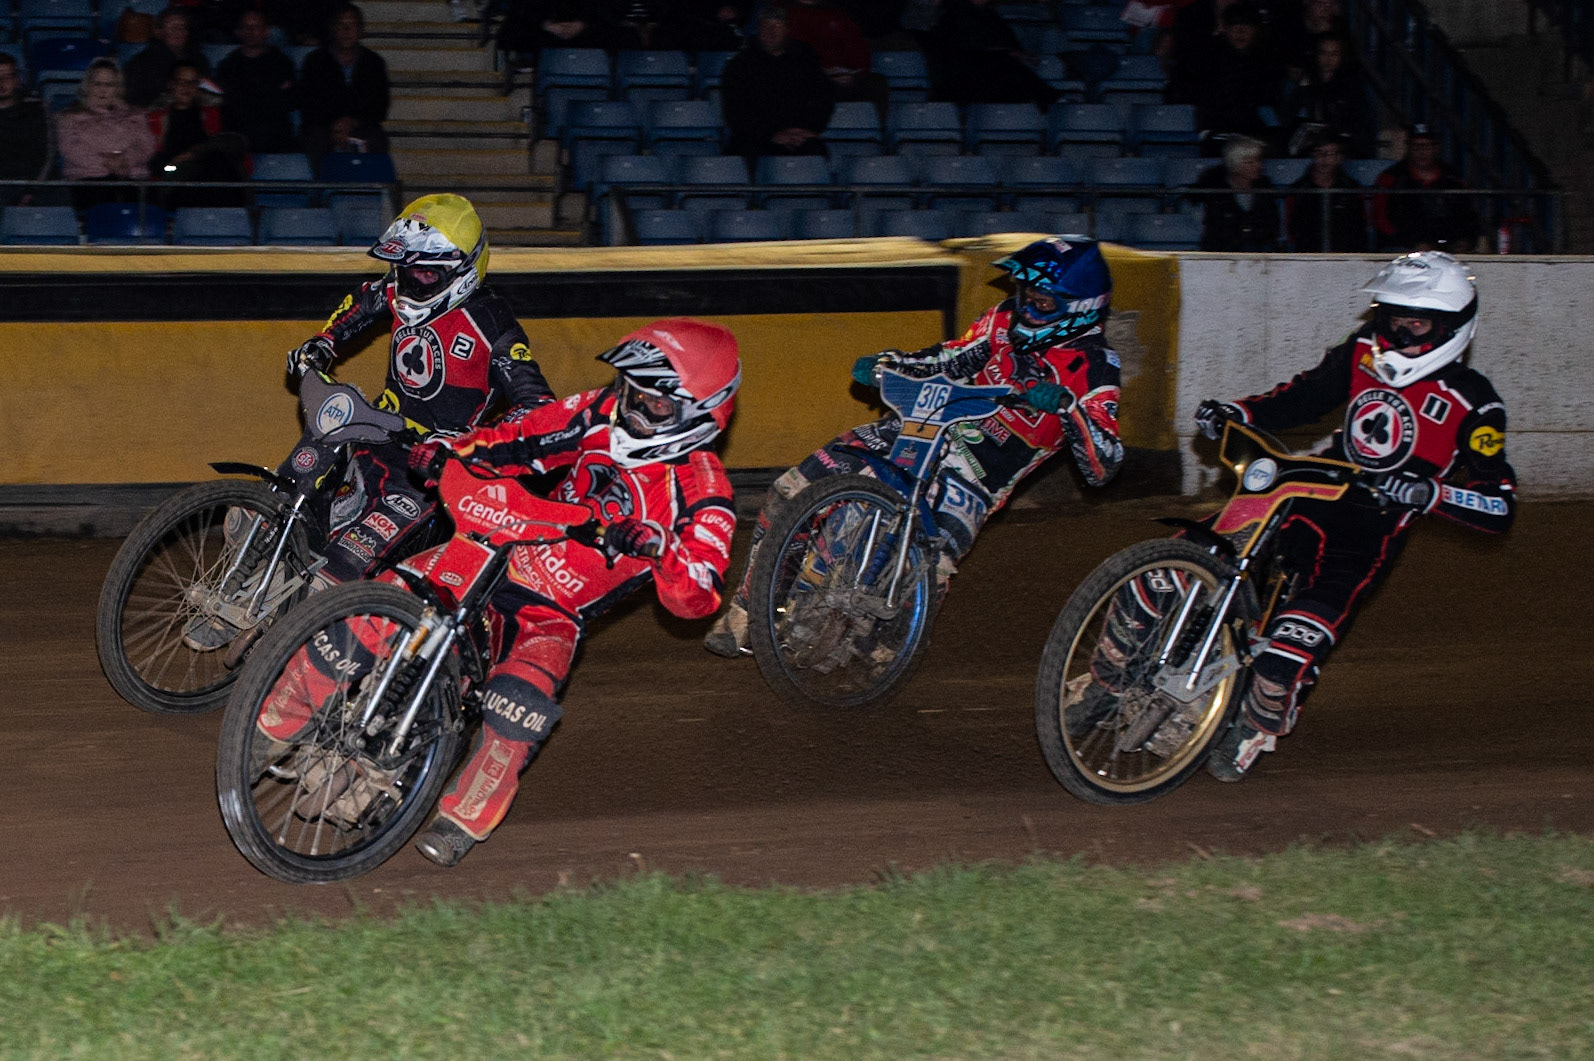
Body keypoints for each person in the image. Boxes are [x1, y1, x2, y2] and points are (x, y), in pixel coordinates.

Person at [252, 319, 742, 867]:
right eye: (631, 391)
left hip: (553, 610)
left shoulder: (704, 491)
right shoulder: (599, 410)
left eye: (652, 405)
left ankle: (463, 818)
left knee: (519, 706)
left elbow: (698, 596)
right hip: (502, 544)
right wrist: (454, 453)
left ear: (701, 413)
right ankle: (274, 724)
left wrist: (659, 549)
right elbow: (524, 435)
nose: (630, 408)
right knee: (382, 599)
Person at [704, 236, 1123, 658]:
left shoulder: (1095, 366)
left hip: (979, 471)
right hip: (923, 425)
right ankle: (749, 612)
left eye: (1043, 303)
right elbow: (951, 358)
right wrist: (889, 363)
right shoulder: (1003, 319)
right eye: (1026, 295)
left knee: (929, 566)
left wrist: (1071, 408)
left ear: (1078, 307)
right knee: (791, 491)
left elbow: (1103, 466)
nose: (1028, 308)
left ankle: (882, 652)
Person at [1188, 251, 1513, 779]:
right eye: (1391, 316)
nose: (1398, 330)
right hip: (1312, 485)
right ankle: (1115, 666)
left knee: (1293, 641)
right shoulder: (1362, 350)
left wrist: (1427, 494)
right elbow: (1305, 396)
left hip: (1374, 522)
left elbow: (1498, 505)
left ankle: (1264, 708)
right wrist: (1240, 412)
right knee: (1196, 550)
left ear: (1451, 327)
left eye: (1417, 321)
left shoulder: (1475, 403)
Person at [277, 193, 554, 591]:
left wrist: (469, 443)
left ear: (463, 269)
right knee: (314, 456)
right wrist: (323, 342)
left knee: (338, 569)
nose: (411, 281)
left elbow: (538, 406)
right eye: (405, 270)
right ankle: (268, 530)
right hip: (376, 432)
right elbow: (364, 300)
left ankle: (321, 610)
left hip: (426, 471)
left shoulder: (491, 321)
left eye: (426, 274)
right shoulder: (397, 288)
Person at [720, 6, 835, 172]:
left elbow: (824, 97)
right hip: (754, 138)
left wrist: (809, 129)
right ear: (758, 30)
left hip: (798, 137)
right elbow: (735, 113)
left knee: (815, 152)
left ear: (787, 30)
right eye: (766, 26)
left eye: (777, 26)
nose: (771, 31)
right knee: (746, 153)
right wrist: (771, 135)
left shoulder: (805, 60)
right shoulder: (739, 66)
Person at [56, 59, 157, 209]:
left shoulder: (136, 115)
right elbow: (71, 149)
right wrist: (107, 163)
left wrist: (125, 160)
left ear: (117, 88)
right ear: (88, 86)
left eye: (109, 85)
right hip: (89, 178)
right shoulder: (70, 117)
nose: (103, 90)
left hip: (131, 176)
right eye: (98, 84)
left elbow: (146, 145)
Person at [299, 2, 391, 164]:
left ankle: (366, 188)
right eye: (341, 25)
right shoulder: (315, 61)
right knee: (314, 140)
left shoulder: (374, 63)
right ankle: (322, 188)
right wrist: (335, 126)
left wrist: (353, 123)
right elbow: (309, 103)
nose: (346, 31)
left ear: (361, 30)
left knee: (376, 140)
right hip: (324, 127)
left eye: (352, 25)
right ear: (333, 29)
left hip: (361, 127)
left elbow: (379, 106)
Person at [147, 60, 248, 206]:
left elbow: (235, 143)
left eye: (192, 82)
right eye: (181, 82)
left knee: (217, 160)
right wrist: (173, 165)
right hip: (176, 177)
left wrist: (195, 153)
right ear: (171, 84)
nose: (186, 88)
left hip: (212, 174)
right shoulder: (155, 118)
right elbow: (152, 164)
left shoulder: (216, 114)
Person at [925, 0, 1061, 108]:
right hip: (955, 83)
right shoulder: (951, 14)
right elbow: (966, 50)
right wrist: (1007, 53)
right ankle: (1050, 99)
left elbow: (1013, 47)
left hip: (987, 84)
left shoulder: (991, 16)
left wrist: (1013, 54)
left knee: (1010, 72)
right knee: (1005, 63)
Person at [1372, 123, 1479, 253]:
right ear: (1408, 148)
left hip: (1447, 248)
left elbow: (1468, 217)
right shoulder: (1391, 178)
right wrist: (1411, 244)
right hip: (1402, 247)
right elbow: (1379, 218)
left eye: (1427, 146)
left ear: (1436, 148)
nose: (1421, 151)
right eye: (1416, 146)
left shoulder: (1453, 179)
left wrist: (1466, 240)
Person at [215, 9, 300, 153]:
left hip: (274, 132)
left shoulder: (281, 62)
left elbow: (288, 101)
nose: (251, 31)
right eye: (246, 27)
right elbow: (230, 104)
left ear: (266, 31)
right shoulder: (228, 65)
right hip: (240, 132)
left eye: (256, 26)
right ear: (238, 32)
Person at [1282, 31, 1372, 158]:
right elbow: (1289, 115)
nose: (1328, 59)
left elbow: (1357, 123)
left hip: (1342, 146)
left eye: (1334, 54)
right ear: (1316, 55)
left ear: (1342, 56)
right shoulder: (1306, 82)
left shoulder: (1352, 86)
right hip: (1311, 145)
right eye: (1323, 53)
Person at [1194, 135, 1280, 251]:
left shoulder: (1265, 188)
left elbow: (1272, 225)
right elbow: (1218, 228)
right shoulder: (1216, 190)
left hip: (1259, 249)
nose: (1258, 166)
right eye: (1250, 162)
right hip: (1225, 250)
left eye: (1259, 161)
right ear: (1235, 165)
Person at [1285, 131, 1366, 251]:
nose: (1324, 158)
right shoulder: (1299, 189)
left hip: (1345, 253)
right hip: (1307, 254)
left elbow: (1360, 226)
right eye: (1319, 152)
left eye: (1330, 153)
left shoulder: (1351, 188)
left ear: (1340, 158)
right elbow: (1290, 226)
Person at [124, 8, 211, 109]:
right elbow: (135, 99)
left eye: (182, 27)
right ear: (159, 32)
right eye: (173, 27)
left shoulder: (199, 59)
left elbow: (207, 90)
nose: (178, 32)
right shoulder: (141, 63)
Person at [0, 53, 50, 206]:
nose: (1, 82)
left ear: (17, 79)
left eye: (7, 77)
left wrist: (31, 190)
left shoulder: (37, 108)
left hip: (34, 184)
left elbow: (47, 154)